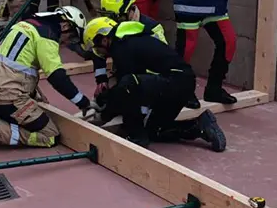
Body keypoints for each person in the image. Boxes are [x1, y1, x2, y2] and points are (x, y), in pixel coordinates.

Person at [0, 6, 91, 155]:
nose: (67, 43)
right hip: (9, 99)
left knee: (24, 112)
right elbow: (57, 77)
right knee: (50, 135)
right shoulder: (47, 36)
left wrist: (34, 95)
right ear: (65, 25)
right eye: (72, 37)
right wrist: (83, 102)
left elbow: (19, 68)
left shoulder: (25, 25)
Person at [82, 16, 226, 151]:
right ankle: (200, 125)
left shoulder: (122, 48)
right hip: (181, 84)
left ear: (103, 39)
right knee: (156, 130)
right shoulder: (130, 40)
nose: (98, 52)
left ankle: (136, 137)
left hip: (174, 82)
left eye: (96, 47)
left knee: (128, 85)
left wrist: (103, 115)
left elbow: (125, 89)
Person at [92, 0, 168, 101]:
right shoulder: (110, 26)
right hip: (122, 74)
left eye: (115, 17)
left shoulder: (152, 29)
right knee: (102, 99)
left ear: (130, 10)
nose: (111, 22)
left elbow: (162, 64)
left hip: (147, 78)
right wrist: (101, 79)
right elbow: (98, 52)